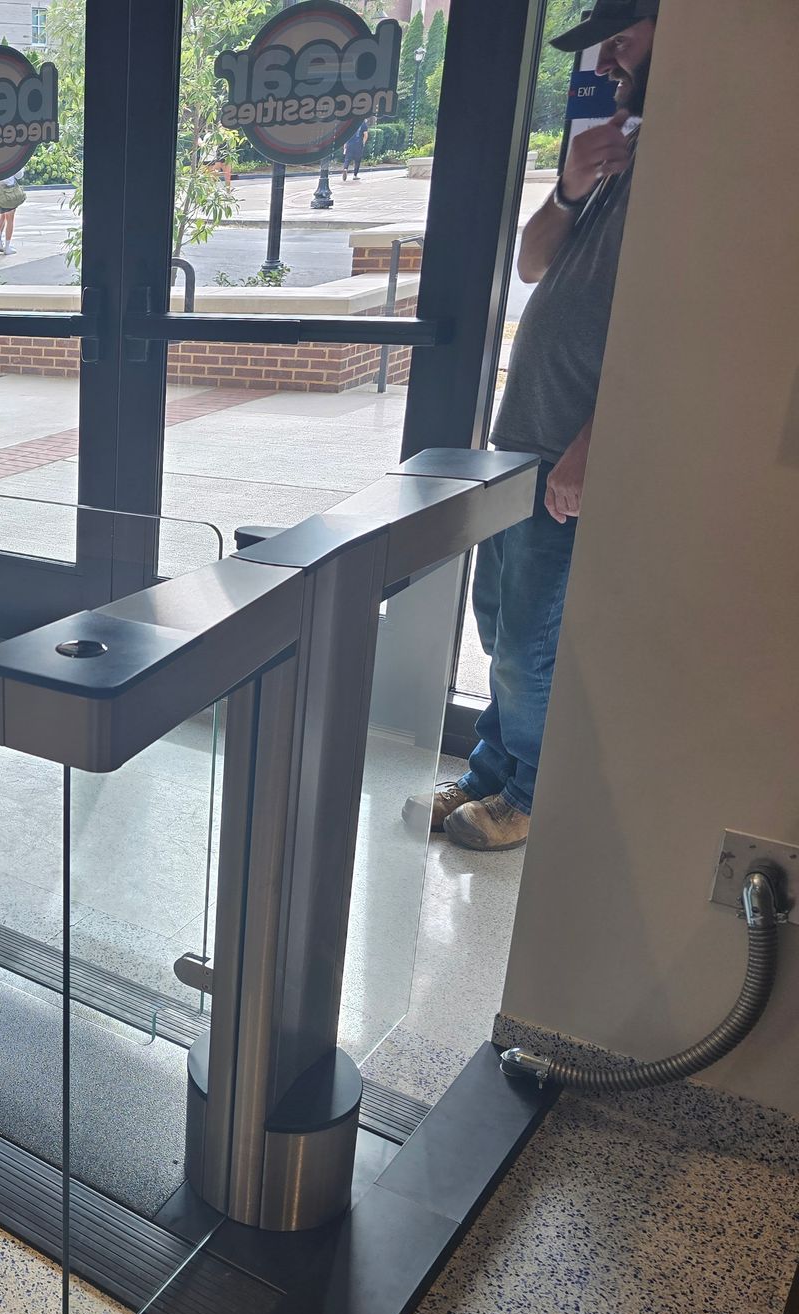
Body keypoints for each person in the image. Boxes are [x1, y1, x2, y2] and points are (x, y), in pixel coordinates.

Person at [419, 0, 656, 851]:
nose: (614, 51)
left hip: (570, 451)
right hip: (524, 437)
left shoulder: (693, 162)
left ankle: (528, 792)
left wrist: (592, 446)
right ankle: (491, 769)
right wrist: (568, 187)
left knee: (532, 642)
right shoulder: (622, 150)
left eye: (630, 29)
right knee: (498, 622)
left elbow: (666, 327)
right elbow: (530, 261)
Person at [0, 170, 26, 254]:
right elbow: (19, 175)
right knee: (10, 218)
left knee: (1, 215)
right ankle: (7, 247)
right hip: (7, 188)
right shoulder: (11, 157)